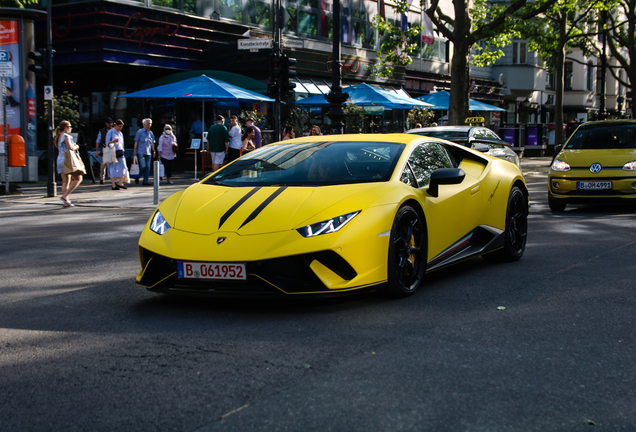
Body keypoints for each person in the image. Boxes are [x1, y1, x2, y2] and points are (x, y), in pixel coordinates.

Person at [54, 120, 82, 207]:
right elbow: (70, 148)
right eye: (70, 127)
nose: (71, 128)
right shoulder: (67, 136)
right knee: (78, 178)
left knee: (65, 181)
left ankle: (66, 202)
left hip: (60, 159)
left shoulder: (59, 136)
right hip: (67, 160)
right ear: (66, 128)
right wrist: (77, 146)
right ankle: (65, 196)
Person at [106, 119, 128, 190]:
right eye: (119, 126)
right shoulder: (111, 132)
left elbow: (122, 143)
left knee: (123, 166)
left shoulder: (120, 133)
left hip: (120, 151)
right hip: (112, 151)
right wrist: (113, 141)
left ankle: (120, 182)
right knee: (113, 168)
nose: (120, 128)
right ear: (115, 125)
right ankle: (113, 185)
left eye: (121, 127)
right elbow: (107, 142)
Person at [133, 118, 156, 185]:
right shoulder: (140, 132)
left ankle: (145, 181)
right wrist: (134, 150)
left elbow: (152, 142)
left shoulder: (151, 133)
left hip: (148, 152)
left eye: (150, 123)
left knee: (148, 168)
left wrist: (153, 151)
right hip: (141, 151)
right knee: (143, 166)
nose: (149, 125)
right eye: (148, 123)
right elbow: (136, 141)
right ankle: (138, 175)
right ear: (144, 124)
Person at [94, 117, 113, 185]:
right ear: (106, 123)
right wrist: (97, 150)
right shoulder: (102, 131)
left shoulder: (114, 131)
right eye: (109, 123)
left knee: (113, 164)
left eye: (111, 123)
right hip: (105, 148)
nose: (110, 124)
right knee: (103, 165)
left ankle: (114, 179)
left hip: (112, 149)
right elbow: (98, 140)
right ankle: (102, 178)